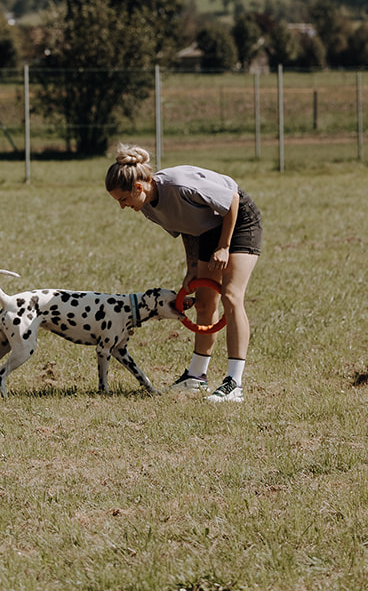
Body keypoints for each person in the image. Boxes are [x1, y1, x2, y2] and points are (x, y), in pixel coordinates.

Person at [105, 143, 261, 403]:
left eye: (123, 199)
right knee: (203, 302)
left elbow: (231, 200)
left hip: (239, 218)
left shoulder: (178, 186)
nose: (123, 207)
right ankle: (196, 378)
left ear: (138, 188)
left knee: (231, 296)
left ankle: (235, 383)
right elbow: (187, 226)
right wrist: (191, 267)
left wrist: (224, 246)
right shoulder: (146, 207)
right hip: (208, 229)